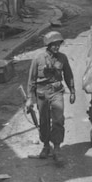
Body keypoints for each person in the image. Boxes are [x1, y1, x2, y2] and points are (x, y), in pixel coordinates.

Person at [26, 31, 75, 161]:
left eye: (58, 44)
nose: (57, 47)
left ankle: (57, 146)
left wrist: (72, 91)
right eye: (54, 45)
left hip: (57, 92)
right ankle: (46, 146)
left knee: (58, 119)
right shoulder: (38, 59)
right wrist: (29, 98)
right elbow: (31, 80)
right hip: (42, 93)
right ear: (48, 45)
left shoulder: (62, 58)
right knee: (44, 121)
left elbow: (68, 75)